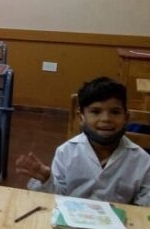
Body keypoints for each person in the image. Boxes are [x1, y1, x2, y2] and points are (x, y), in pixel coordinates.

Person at [15, 77, 150, 206]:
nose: (106, 119)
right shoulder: (66, 152)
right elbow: (57, 199)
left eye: (115, 112)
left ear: (126, 118)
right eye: (95, 112)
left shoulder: (142, 160)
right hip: (70, 220)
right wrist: (46, 179)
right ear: (81, 117)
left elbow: (144, 206)